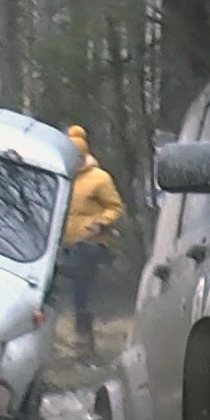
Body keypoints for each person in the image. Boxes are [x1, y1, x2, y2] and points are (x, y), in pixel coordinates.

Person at [60, 124, 125, 359]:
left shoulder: (100, 179)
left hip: (90, 244)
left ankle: (84, 343)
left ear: (83, 156)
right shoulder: (64, 178)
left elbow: (116, 208)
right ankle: (68, 341)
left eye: (75, 157)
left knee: (80, 291)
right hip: (64, 244)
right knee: (66, 290)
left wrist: (100, 223)